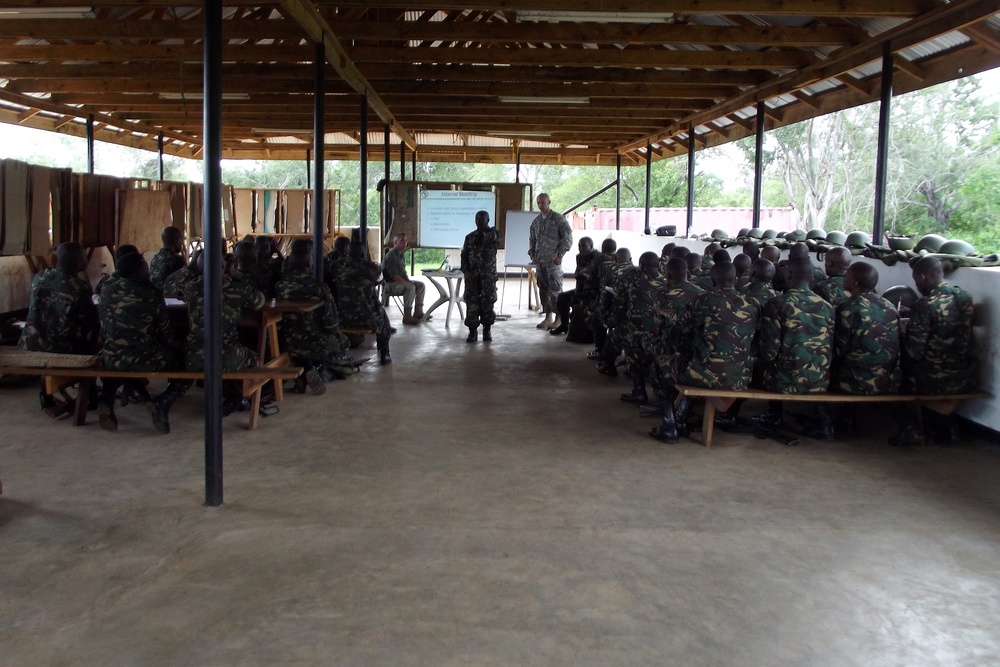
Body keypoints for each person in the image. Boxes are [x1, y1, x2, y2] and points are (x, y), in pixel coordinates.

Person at [651, 262, 758, 443]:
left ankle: (669, 426)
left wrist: (664, 311)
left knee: (661, 364)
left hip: (707, 375)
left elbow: (683, 324)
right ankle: (682, 418)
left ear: (712, 279)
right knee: (690, 365)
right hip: (741, 378)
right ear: (736, 279)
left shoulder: (706, 299)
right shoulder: (752, 303)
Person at [96, 252, 188, 432]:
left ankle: (107, 397)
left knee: (119, 359)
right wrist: (182, 345)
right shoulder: (151, 294)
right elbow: (166, 334)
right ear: (139, 273)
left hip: (111, 358)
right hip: (147, 359)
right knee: (187, 363)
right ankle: (162, 402)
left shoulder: (106, 290)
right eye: (146, 267)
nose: (149, 271)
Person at [892, 256, 976, 446]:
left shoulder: (925, 304)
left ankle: (909, 429)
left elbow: (914, 352)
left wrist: (904, 331)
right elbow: (946, 317)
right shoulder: (964, 297)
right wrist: (915, 314)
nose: (917, 285)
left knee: (888, 377)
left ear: (922, 277)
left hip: (933, 379)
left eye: (915, 280)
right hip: (964, 375)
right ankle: (948, 427)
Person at [754, 256, 835, 440]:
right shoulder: (827, 307)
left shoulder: (778, 304)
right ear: (812, 277)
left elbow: (769, 351)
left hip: (784, 380)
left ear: (788, 274)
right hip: (820, 380)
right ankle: (824, 423)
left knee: (766, 365)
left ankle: (772, 416)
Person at [19, 241, 100, 416]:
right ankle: (90, 397)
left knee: (51, 334)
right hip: (59, 349)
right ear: (80, 264)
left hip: (30, 343)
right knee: (92, 344)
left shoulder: (40, 277)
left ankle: (46, 396)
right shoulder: (79, 287)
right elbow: (89, 323)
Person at [184, 250, 266, 417]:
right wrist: (236, 277)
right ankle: (241, 397)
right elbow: (259, 301)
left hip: (194, 356)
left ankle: (232, 396)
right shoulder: (236, 287)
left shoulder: (190, 288)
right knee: (252, 355)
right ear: (225, 267)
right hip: (228, 356)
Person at [275, 240, 356, 392]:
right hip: (316, 342)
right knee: (343, 341)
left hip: (288, 342)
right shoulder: (320, 288)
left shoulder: (280, 286)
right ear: (308, 263)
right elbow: (331, 325)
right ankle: (318, 369)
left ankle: (308, 370)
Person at [617, 252, 669, 406]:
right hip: (659, 330)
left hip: (635, 327)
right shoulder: (666, 281)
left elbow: (618, 289)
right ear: (659, 265)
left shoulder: (633, 277)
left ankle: (639, 391)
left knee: (629, 341)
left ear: (640, 265)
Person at [337, 240, 393, 365]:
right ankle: (385, 353)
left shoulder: (338, 266)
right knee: (384, 321)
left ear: (347, 253)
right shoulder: (372, 268)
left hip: (341, 318)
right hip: (367, 318)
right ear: (364, 254)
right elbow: (380, 281)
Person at [528, 192, 573, 330]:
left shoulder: (558, 219)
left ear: (549, 202)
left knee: (556, 291)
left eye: (543, 202)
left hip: (553, 262)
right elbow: (532, 239)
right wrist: (532, 254)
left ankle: (559, 318)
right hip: (540, 262)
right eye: (539, 203)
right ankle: (548, 317)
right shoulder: (536, 221)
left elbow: (567, 237)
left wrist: (560, 254)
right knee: (544, 290)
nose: (541, 205)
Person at [460, 210, 500, 343]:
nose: (479, 222)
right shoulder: (469, 237)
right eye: (477, 219)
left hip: (487, 277)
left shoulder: (493, 235)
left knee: (487, 303)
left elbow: (488, 253)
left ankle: (487, 330)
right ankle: (472, 332)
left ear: (488, 220)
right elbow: (464, 255)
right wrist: (466, 271)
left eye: (482, 220)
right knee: (472, 304)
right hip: (472, 276)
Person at [550, 236, 595, 337]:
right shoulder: (579, 257)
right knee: (562, 297)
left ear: (591, 247)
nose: (581, 248)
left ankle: (575, 325)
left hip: (594, 290)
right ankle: (564, 325)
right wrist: (577, 292)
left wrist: (577, 295)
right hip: (583, 288)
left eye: (584, 246)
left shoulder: (597, 258)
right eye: (579, 246)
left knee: (576, 299)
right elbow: (578, 277)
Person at [381, 232, 425, 325]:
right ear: (395, 243)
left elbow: (403, 274)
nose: (405, 243)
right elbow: (394, 276)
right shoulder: (391, 255)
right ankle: (407, 316)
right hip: (390, 285)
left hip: (398, 283)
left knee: (421, 285)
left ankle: (418, 312)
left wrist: (410, 281)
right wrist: (408, 283)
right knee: (410, 287)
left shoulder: (400, 255)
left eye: (406, 240)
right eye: (402, 241)